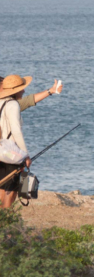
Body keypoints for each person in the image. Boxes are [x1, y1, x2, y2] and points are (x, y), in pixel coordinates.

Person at [0, 75, 34, 208]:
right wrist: (25, 154)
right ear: (15, 90)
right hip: (11, 153)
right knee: (11, 190)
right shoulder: (13, 104)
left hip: (1, 150)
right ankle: (6, 223)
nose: (24, 91)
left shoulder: (0, 102)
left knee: (2, 186)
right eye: (22, 89)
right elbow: (16, 131)